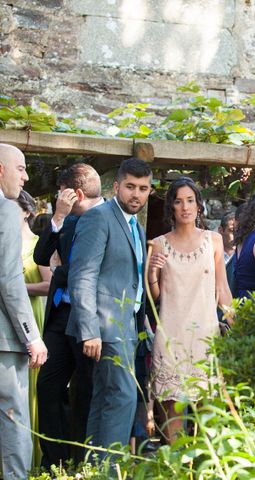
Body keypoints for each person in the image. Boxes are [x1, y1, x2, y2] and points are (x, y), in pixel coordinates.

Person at [67, 157, 152, 459]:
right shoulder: (99, 217)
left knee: (106, 400)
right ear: (116, 186)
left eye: (143, 188)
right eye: (130, 187)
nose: (136, 194)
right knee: (123, 398)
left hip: (128, 326)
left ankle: (95, 467)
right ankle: (110, 469)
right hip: (104, 327)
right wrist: (89, 330)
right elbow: (82, 275)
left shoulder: (136, 228)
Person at [147, 177, 232, 443]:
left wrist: (236, 322)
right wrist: (152, 271)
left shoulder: (214, 240)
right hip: (172, 335)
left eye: (190, 200)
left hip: (206, 336)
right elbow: (154, 297)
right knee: (173, 415)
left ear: (198, 205)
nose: (185, 207)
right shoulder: (158, 244)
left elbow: (223, 290)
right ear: (171, 207)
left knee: (209, 415)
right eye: (178, 201)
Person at [34, 163, 103, 467]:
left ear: (74, 193)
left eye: (61, 193)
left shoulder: (109, 218)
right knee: (48, 387)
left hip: (92, 320)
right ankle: (54, 464)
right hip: (61, 319)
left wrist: (63, 271)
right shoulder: (69, 220)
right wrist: (58, 216)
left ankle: (83, 463)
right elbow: (40, 256)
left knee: (85, 393)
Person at [0, 143, 48, 480]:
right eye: (20, 168)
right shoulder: (4, 209)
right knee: (13, 417)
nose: (26, 176)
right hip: (3, 340)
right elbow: (8, 278)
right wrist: (32, 336)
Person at [15, 190, 52, 467]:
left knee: (32, 389)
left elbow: (49, 285)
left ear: (27, 212)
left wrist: (16, 288)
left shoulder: (40, 244)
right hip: (9, 320)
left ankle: (32, 461)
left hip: (34, 316)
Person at [218, 211, 236, 293]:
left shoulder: (244, 255)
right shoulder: (212, 255)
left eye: (238, 230)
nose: (236, 234)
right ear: (221, 230)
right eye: (232, 230)